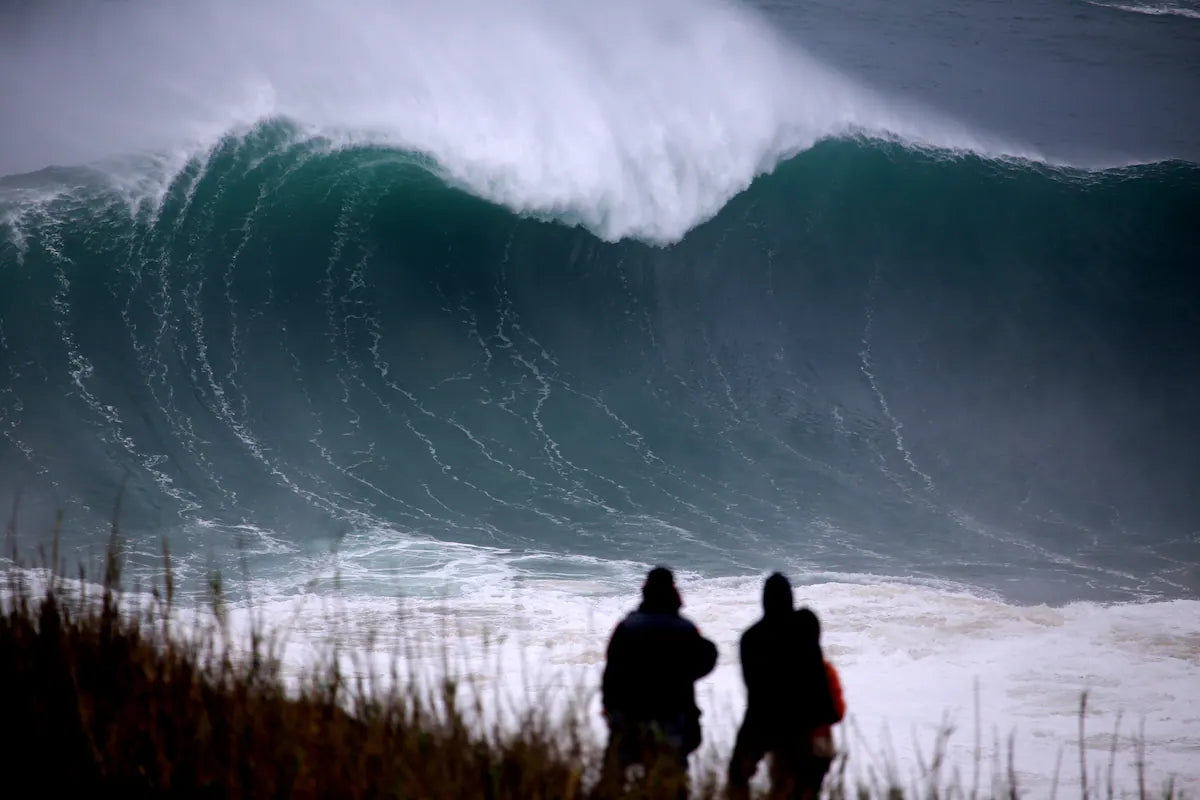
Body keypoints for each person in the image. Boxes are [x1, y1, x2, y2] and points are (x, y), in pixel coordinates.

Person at [600, 566, 718, 796]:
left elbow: (610, 675)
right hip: (672, 720)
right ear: (673, 591)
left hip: (630, 720)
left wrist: (610, 711)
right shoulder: (685, 628)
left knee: (613, 783)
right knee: (672, 787)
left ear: (646, 590)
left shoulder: (627, 627)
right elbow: (707, 659)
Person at [727, 573, 845, 800]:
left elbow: (752, 688)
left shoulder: (751, 638)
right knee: (802, 785)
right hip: (807, 720)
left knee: (737, 774)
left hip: (763, 718)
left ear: (764, 601)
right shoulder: (806, 625)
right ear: (790, 598)